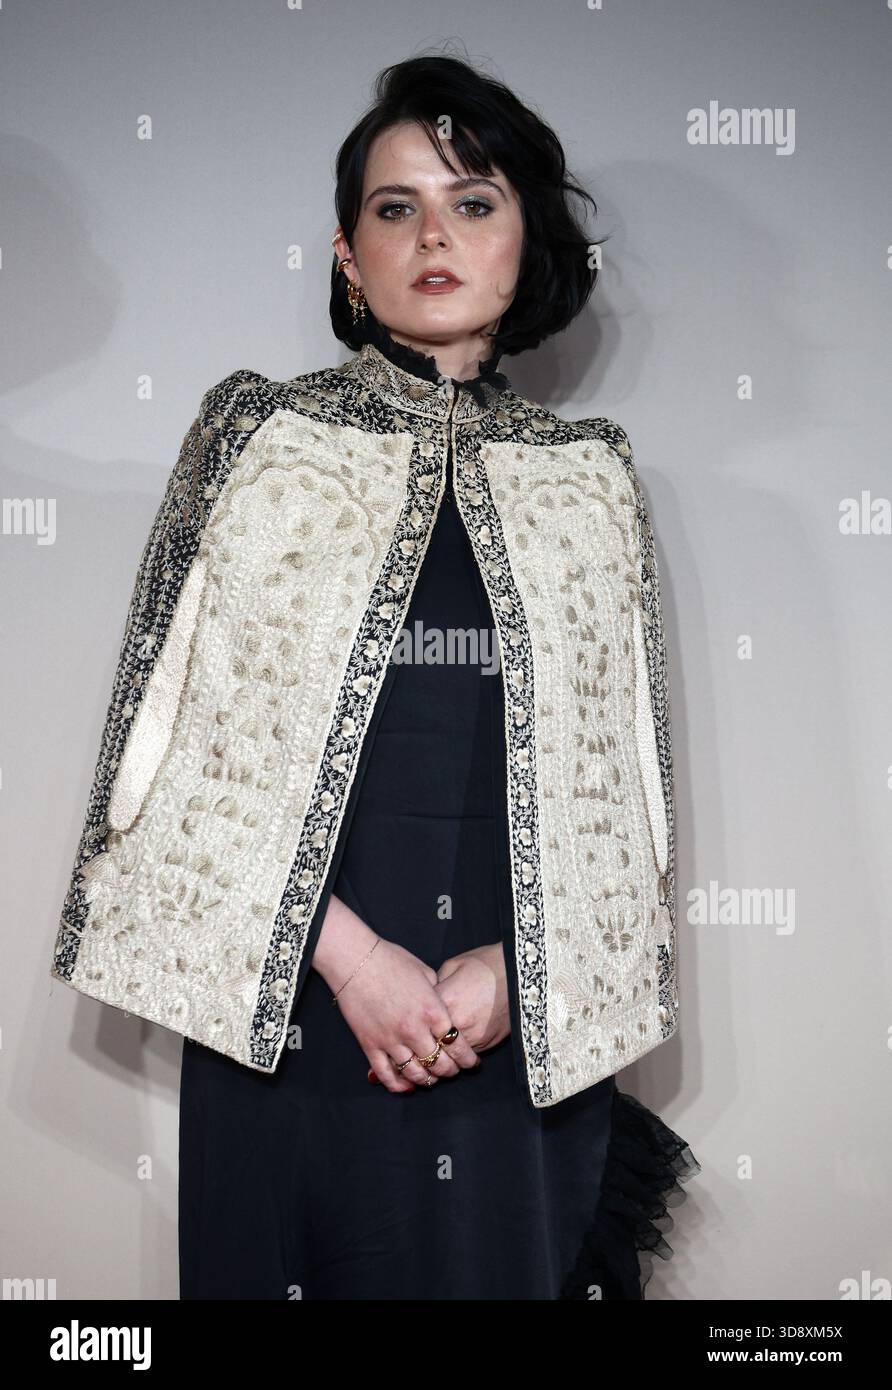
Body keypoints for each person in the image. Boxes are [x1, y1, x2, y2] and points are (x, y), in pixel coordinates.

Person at [52, 52, 700, 1300]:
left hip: (517, 1026)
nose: (433, 235)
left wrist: (514, 972)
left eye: (474, 200)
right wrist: (347, 963)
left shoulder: (592, 477)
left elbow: (628, 789)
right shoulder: (257, 434)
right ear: (347, 254)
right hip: (290, 1012)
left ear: (530, 244)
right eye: (394, 208)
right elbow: (163, 743)